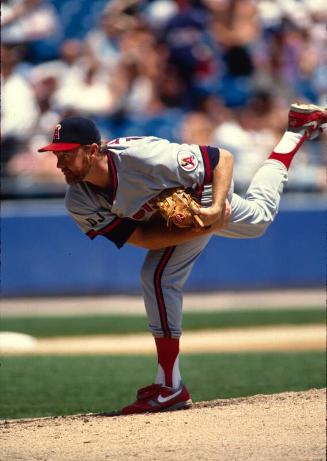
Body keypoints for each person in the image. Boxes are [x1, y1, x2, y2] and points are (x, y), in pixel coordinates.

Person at [38, 103, 326, 415]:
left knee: (158, 276)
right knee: (260, 217)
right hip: (181, 220)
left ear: (92, 150)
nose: (59, 163)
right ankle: (297, 131)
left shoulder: (141, 157)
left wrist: (214, 211)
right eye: (56, 154)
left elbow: (221, 158)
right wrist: (203, 227)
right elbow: (144, 239)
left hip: (203, 191)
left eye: (66, 154)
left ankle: (169, 387)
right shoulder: (78, 200)